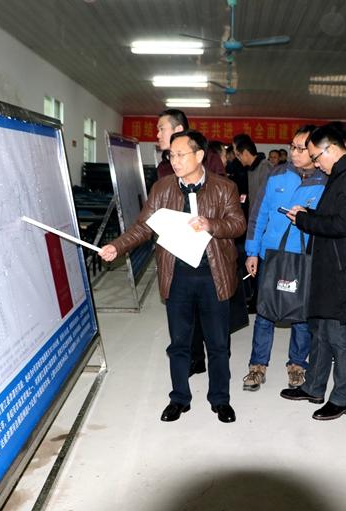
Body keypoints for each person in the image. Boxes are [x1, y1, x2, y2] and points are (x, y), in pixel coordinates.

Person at [99, 130, 246, 423]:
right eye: (171, 155)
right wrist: (118, 246)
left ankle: (220, 399)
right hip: (177, 275)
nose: (174, 161)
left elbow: (238, 224)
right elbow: (144, 226)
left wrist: (211, 224)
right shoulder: (162, 188)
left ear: (199, 155)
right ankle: (179, 398)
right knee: (179, 343)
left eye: (180, 155)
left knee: (218, 344)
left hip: (213, 275)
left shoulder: (224, 187)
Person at [279, 126, 346, 421]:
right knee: (321, 332)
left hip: (344, 271)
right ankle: (314, 386)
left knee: (339, 336)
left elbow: (342, 225)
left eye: (315, 157)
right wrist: (307, 215)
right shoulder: (342, 175)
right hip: (331, 267)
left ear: (331, 149)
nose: (315, 163)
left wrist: (305, 221)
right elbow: (333, 217)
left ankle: (342, 397)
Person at [242, 125, 327, 391]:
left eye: (301, 148)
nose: (294, 153)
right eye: (292, 147)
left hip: (304, 257)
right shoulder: (277, 174)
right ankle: (257, 366)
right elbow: (258, 215)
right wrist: (252, 252)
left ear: (314, 151)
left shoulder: (326, 181)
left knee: (301, 314)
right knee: (264, 312)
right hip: (271, 255)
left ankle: (297, 365)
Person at [156, 109, 226, 377]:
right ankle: (192, 364)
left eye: (161, 128)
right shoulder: (163, 175)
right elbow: (147, 220)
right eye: (171, 156)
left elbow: (230, 216)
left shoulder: (214, 170)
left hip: (210, 261)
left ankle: (218, 387)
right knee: (182, 331)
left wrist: (209, 223)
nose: (158, 134)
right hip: (178, 261)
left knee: (216, 336)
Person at [234, 133, 273, 209]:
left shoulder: (264, 167)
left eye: (239, 155)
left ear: (245, 153)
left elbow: (266, 197)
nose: (238, 159)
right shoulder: (250, 169)